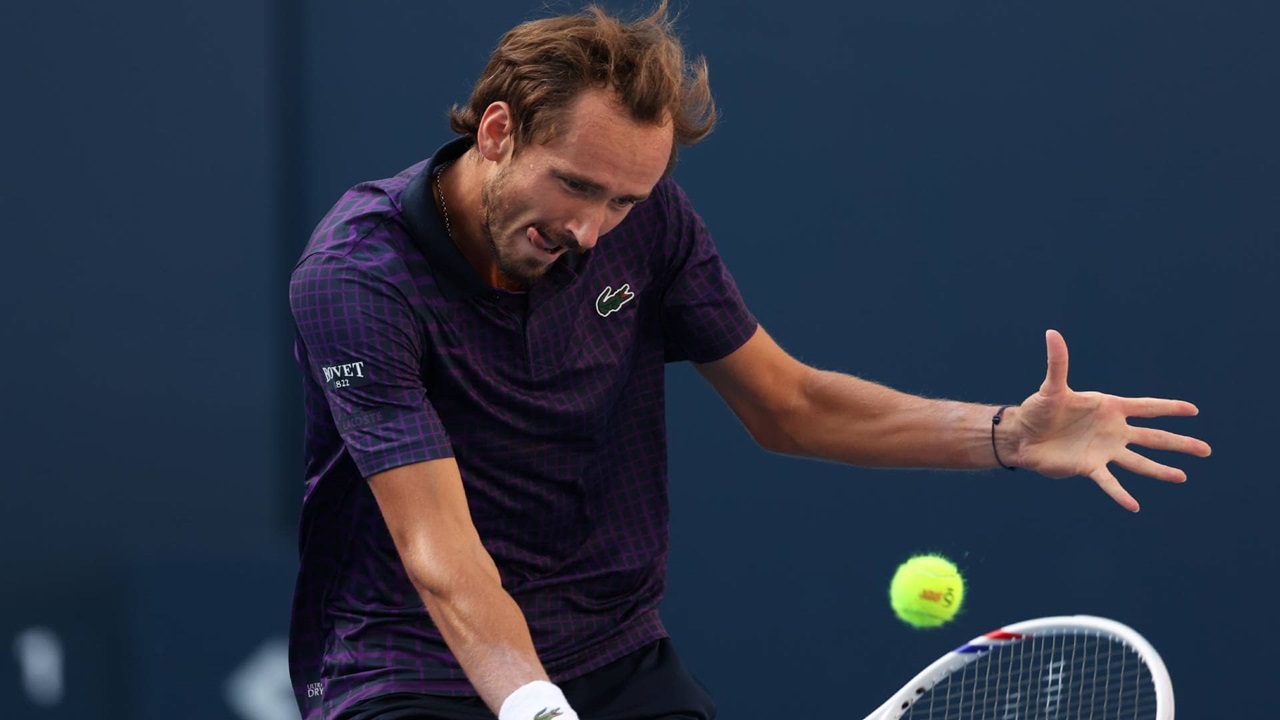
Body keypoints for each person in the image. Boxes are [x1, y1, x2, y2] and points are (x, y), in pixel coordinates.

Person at [286, 3, 1212, 719]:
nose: (591, 231)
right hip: (408, 661)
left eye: (622, 200)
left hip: (610, 651)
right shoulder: (358, 277)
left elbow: (789, 404)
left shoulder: (648, 227)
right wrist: (536, 709)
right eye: (575, 186)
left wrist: (1005, 434)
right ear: (498, 132)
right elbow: (440, 553)